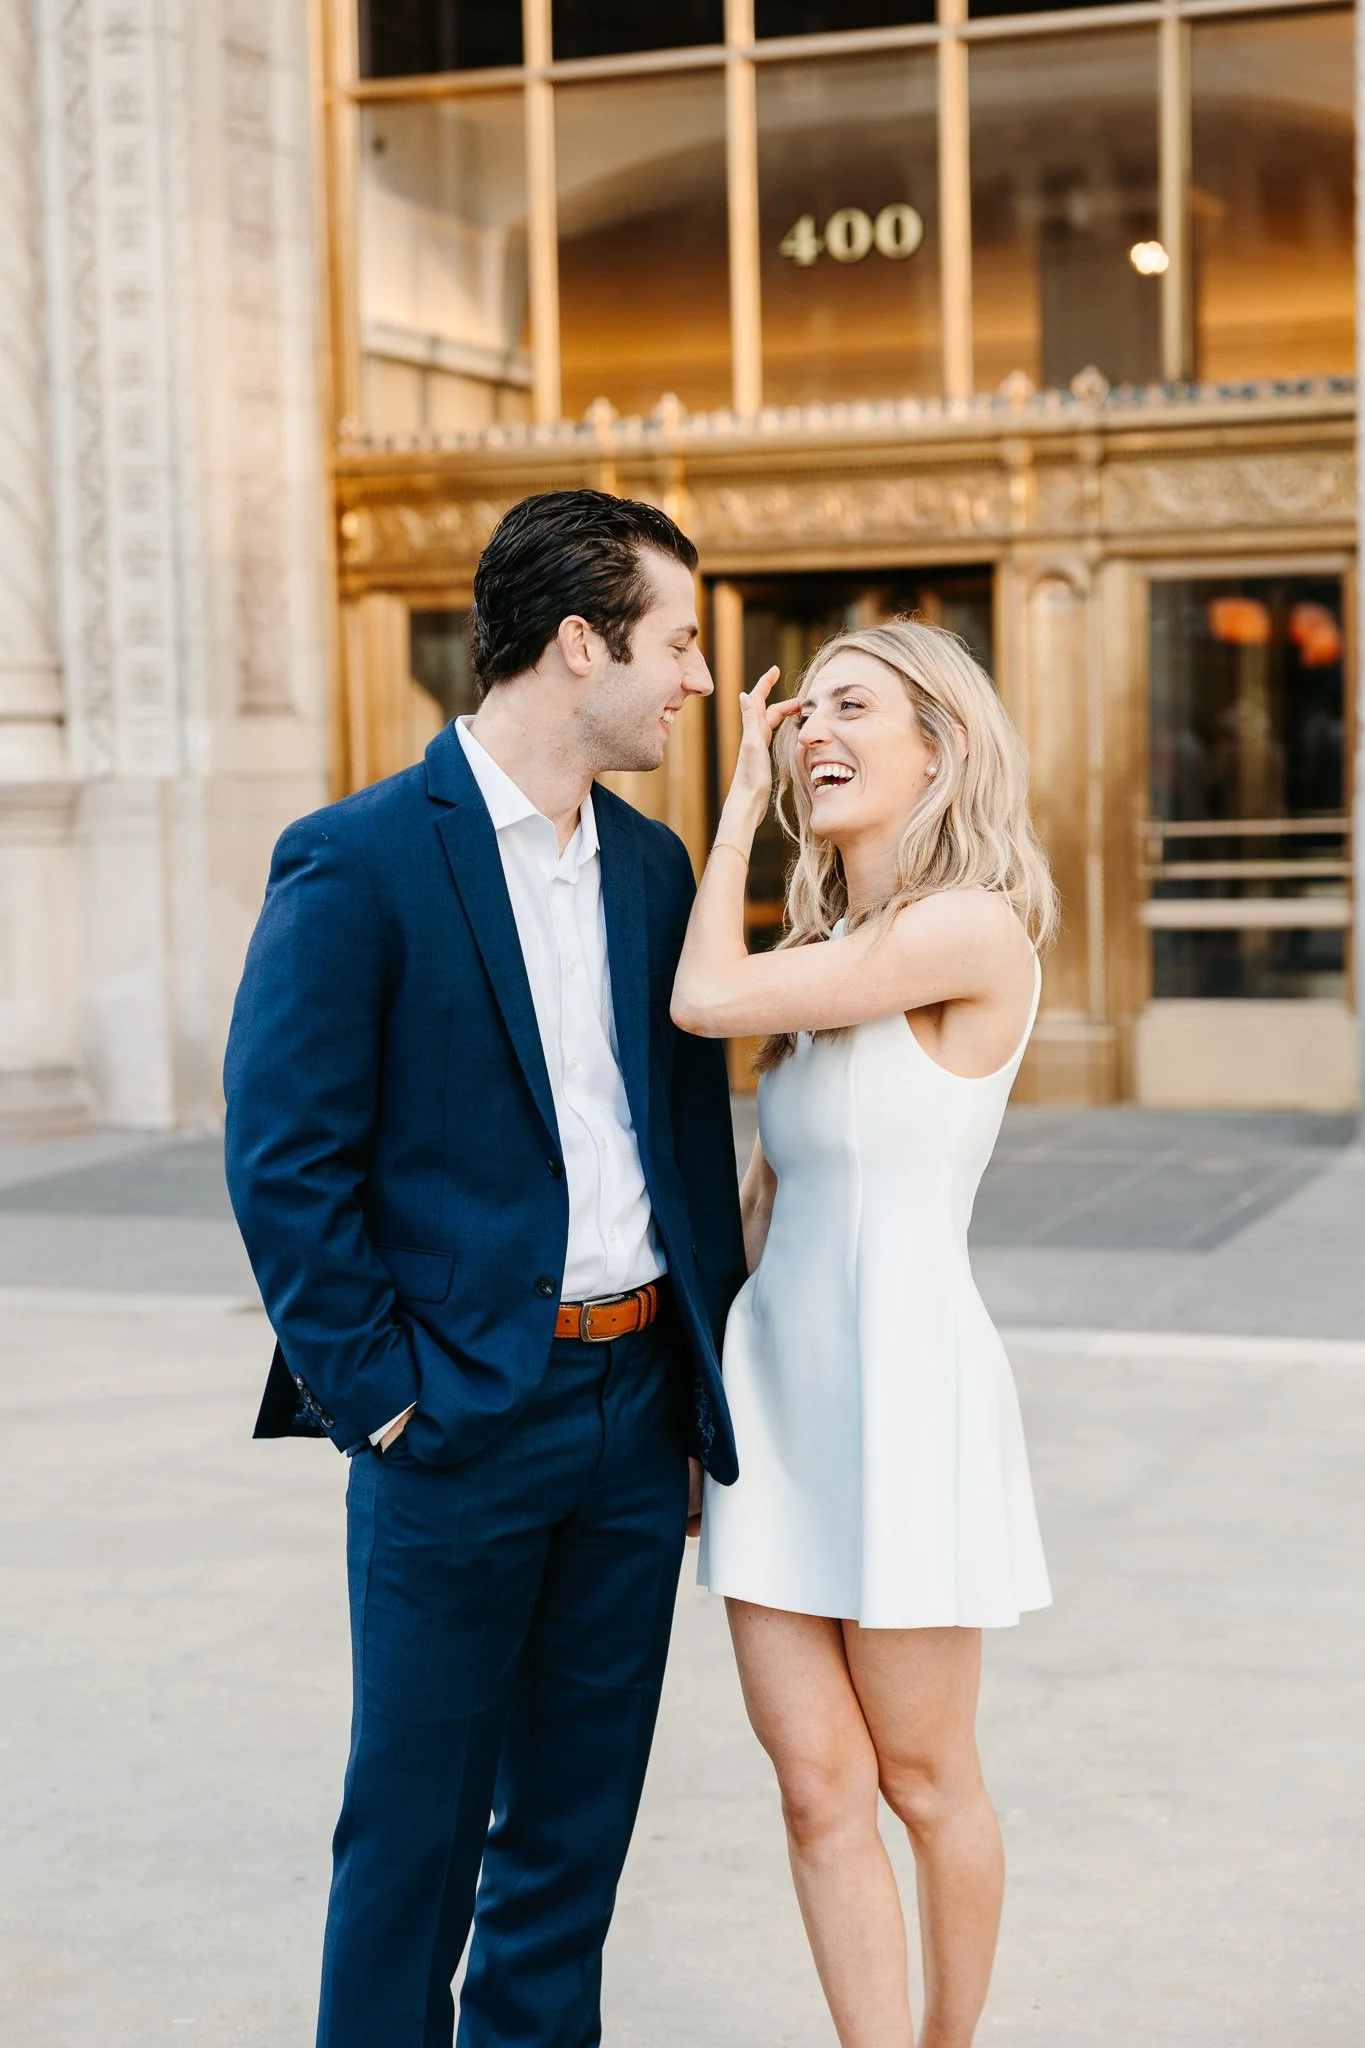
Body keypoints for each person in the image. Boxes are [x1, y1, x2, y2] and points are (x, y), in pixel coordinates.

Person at [223, 489, 745, 2048]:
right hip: (454, 1427)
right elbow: (283, 1161)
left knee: (571, 1848)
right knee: (415, 1847)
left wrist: (699, 1396)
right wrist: (382, 1402)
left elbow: (681, 1147)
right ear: (579, 644)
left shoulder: (652, 870)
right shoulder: (361, 857)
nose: (699, 680)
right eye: (680, 641)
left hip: (636, 1415)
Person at [674, 619, 1058, 2048]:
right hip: (776, 1405)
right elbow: (771, 1209)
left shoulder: (965, 929)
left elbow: (700, 998)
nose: (813, 731)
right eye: (803, 711)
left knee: (925, 1776)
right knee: (816, 1786)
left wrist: (722, 816)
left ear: (939, 746)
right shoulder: (825, 956)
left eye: (853, 705)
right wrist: (702, 1417)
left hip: (907, 1398)